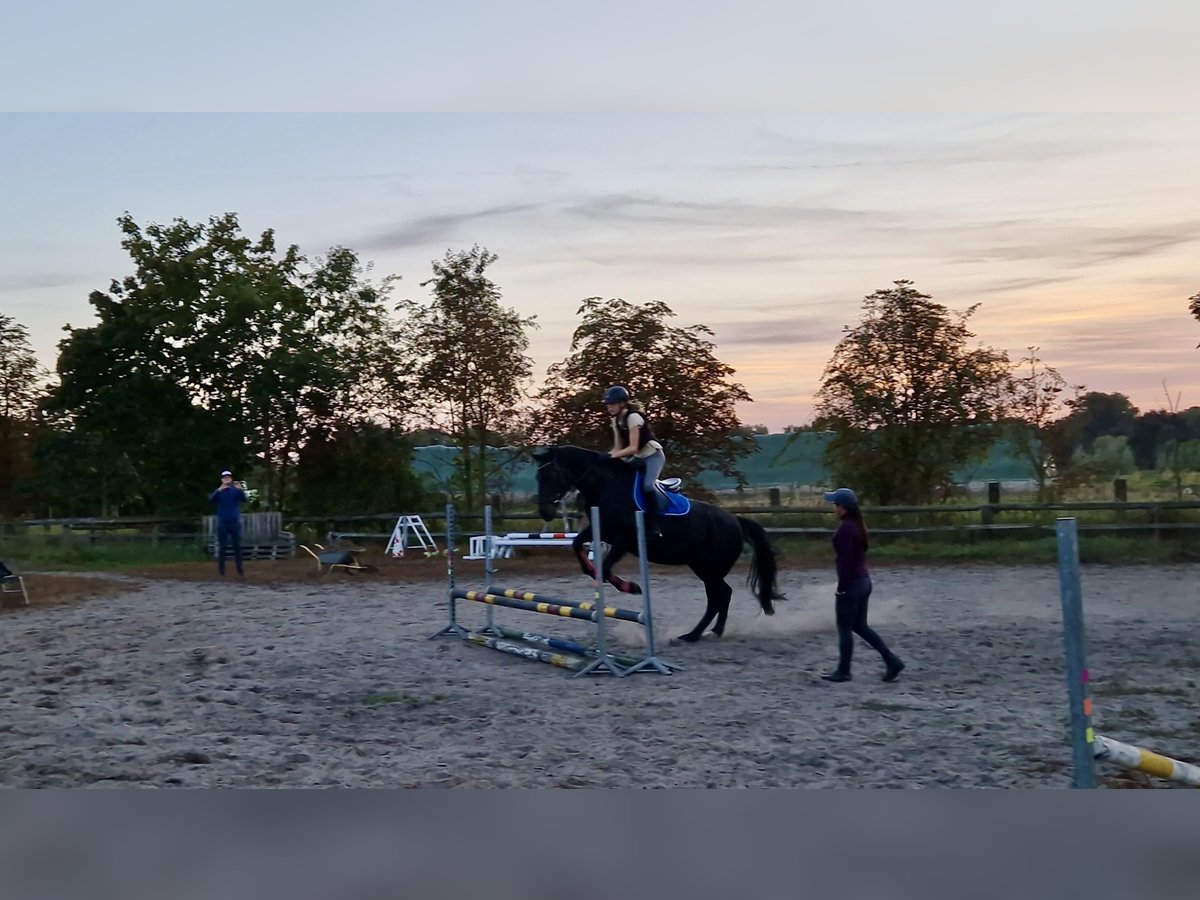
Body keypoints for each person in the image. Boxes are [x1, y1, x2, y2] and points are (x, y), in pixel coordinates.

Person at [820, 487, 904, 683]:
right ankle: (892, 661)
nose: (834, 508)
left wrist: (842, 587)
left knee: (844, 628)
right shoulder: (858, 526)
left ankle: (844, 671)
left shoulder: (845, 530)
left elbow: (847, 562)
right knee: (860, 626)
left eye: (835, 505)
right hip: (864, 581)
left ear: (844, 508)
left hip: (852, 584)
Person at [601, 385, 666, 539]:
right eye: (608, 404)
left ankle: (654, 524)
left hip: (653, 456)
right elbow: (617, 448)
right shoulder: (615, 420)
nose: (609, 407)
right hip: (638, 458)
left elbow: (632, 447)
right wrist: (603, 457)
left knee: (648, 486)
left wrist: (612, 457)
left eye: (612, 403)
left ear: (622, 403)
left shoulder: (633, 417)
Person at [209, 469, 247, 577]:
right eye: (225, 478)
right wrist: (219, 490)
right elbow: (211, 500)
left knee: (237, 546)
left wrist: (241, 490)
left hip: (234, 522)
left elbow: (244, 499)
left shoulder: (235, 491)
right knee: (223, 546)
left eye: (228, 478)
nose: (227, 479)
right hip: (223, 523)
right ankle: (222, 570)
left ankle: (240, 569)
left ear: (231, 479)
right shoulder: (219, 492)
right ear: (222, 480)